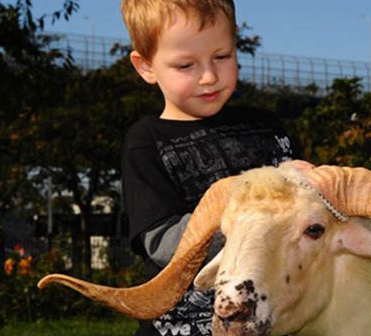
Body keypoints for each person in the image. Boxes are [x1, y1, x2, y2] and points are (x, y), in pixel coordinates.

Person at [120, 1, 299, 335]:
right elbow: (162, 243)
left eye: (223, 56)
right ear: (145, 66)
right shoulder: (146, 142)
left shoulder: (268, 126)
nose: (209, 76)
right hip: (184, 326)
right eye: (186, 64)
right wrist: (247, 219)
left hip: (271, 318)